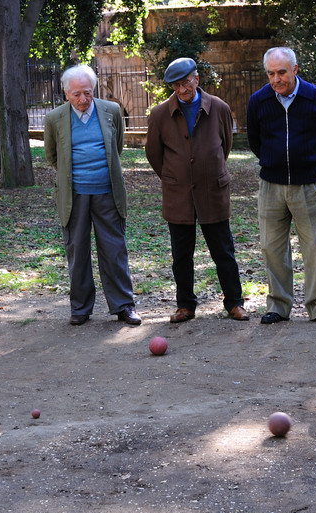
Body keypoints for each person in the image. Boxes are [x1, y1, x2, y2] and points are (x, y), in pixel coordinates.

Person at [145, 57, 249, 323]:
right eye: (176, 85)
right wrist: (174, 176)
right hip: (178, 194)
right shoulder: (159, 114)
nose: (182, 89)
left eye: (186, 82)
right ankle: (185, 305)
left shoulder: (220, 108)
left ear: (197, 79)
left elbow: (224, 146)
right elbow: (154, 154)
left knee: (223, 251)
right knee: (181, 255)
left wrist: (206, 169)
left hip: (212, 191)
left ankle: (234, 303)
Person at [44, 64, 141, 326]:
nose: (83, 99)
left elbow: (116, 147)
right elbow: (53, 156)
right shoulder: (54, 118)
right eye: (76, 94)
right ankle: (80, 308)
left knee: (114, 249)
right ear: (66, 94)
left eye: (87, 93)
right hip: (74, 195)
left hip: (107, 192)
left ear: (93, 90)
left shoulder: (110, 111)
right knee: (77, 251)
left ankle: (123, 305)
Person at [246, 47, 316, 325]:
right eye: (271, 74)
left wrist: (312, 165)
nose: (276, 79)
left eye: (282, 72)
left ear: (295, 69)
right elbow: (254, 141)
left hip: (308, 184)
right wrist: (272, 162)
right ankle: (278, 305)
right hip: (271, 185)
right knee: (271, 247)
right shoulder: (258, 101)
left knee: (314, 246)